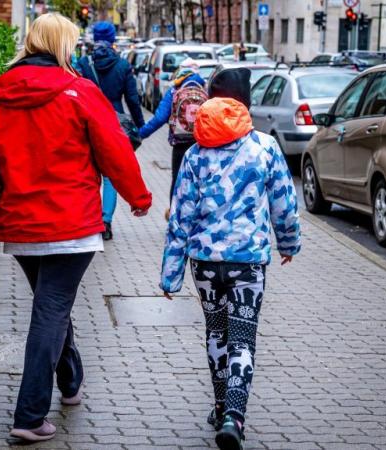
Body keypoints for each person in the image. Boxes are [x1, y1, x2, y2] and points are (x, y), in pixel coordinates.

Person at [0, 13, 152, 443]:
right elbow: (114, 149)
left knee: (52, 305)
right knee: (51, 310)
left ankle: (70, 382)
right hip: (72, 223)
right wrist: (138, 197)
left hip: (23, 227)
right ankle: (29, 416)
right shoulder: (80, 92)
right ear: (63, 44)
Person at [160, 68, 301, 450]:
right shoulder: (265, 147)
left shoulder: (194, 154)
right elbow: (285, 205)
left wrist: (170, 274)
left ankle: (221, 403)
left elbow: (180, 216)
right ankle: (233, 417)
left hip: (204, 263)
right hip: (249, 261)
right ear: (246, 102)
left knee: (216, 331)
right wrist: (288, 243)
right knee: (243, 338)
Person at [75, 21, 145, 241]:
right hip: (114, 124)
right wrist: (140, 126)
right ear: (113, 39)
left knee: (87, 171)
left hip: (86, 121)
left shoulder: (84, 63)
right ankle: (105, 221)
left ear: (95, 38)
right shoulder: (123, 65)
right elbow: (133, 100)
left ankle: (87, 218)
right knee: (110, 175)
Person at [138, 58, 206, 213]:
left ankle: (174, 217)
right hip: (202, 143)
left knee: (177, 181)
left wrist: (140, 135)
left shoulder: (175, 90)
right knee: (200, 181)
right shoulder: (204, 89)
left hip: (180, 143)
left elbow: (160, 118)